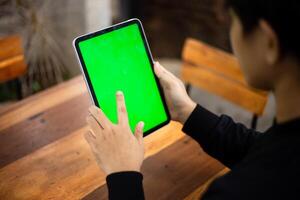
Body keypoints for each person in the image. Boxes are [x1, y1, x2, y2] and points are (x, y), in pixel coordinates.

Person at [84, 0, 300, 199]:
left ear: (269, 42)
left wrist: (123, 175)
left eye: (234, 22)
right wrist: (187, 111)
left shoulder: (233, 192)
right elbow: (261, 147)